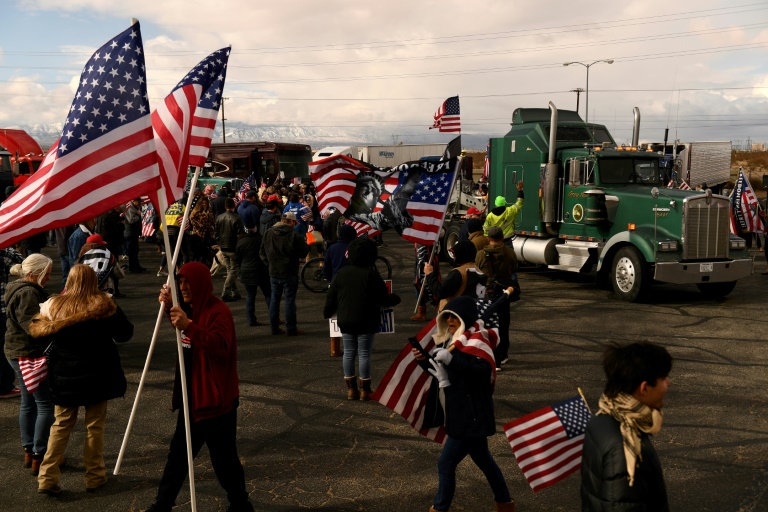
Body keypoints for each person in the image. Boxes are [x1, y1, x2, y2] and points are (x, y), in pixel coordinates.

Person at [144, 262, 253, 512]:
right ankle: (162, 505)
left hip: (216, 399)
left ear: (201, 283)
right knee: (178, 457)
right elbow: (184, 327)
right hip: (191, 396)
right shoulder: (190, 308)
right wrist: (169, 303)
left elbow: (220, 348)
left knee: (224, 460)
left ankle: (240, 505)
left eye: (187, 282)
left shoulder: (218, 311)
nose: (183, 287)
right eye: (180, 282)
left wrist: (188, 326)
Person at [30, 264, 133, 496]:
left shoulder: (53, 305)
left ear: (70, 280)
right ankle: (95, 476)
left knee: (61, 426)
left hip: (64, 376)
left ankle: (47, 477)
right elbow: (124, 333)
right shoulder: (105, 305)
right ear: (93, 281)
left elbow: (37, 341)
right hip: (99, 375)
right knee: (95, 426)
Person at [414, 295, 515, 512]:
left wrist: (452, 360)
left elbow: (481, 375)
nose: (449, 321)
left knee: (446, 464)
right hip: (462, 413)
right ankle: (505, 504)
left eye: (454, 317)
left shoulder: (477, 342)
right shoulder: (455, 341)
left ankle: (439, 508)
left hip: (471, 415)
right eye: (447, 317)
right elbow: (442, 371)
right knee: (485, 462)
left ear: (465, 319)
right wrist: (423, 360)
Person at [581, 342, 672, 512]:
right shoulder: (627, 448)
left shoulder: (604, 415)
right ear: (644, 388)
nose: (669, 382)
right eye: (663, 378)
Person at [323, 238, 401, 400]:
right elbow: (383, 298)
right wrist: (395, 298)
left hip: (346, 319)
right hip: (367, 319)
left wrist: (327, 312)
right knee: (364, 353)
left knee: (349, 353)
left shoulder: (341, 273)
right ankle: (365, 389)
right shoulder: (371, 274)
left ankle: (351, 389)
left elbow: (331, 298)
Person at [4, 253, 54, 474]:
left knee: (28, 402)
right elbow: (33, 328)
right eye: (48, 273)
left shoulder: (18, 288)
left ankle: (29, 450)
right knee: (44, 404)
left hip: (17, 350)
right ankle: (39, 453)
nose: (50, 278)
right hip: (28, 352)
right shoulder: (28, 293)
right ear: (36, 273)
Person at [260, 212, 309, 336]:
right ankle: (291, 328)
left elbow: (262, 252)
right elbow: (303, 253)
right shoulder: (294, 235)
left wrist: (269, 264)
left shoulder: (269, 233)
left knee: (274, 300)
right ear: (291, 222)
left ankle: (274, 328)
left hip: (274, 272)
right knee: (289, 301)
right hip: (289, 272)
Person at [475, 226, 518, 369]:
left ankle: (491, 354)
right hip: (505, 293)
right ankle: (503, 354)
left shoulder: (481, 254)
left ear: (488, 238)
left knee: (488, 325)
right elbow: (513, 269)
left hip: (487, 294)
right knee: (504, 324)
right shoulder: (510, 253)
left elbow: (478, 272)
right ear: (502, 238)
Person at [323, 224, 357, 358]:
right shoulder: (354, 247)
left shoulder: (332, 248)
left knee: (335, 315)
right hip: (353, 284)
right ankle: (355, 344)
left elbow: (327, 267)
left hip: (336, 282)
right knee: (354, 312)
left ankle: (334, 348)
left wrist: (329, 278)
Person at [424, 240, 486, 312]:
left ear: (462, 254)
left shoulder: (458, 273)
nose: (453, 255)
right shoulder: (478, 271)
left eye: (454, 253)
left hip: (454, 314)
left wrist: (430, 274)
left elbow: (440, 292)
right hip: (471, 312)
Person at [0, 246, 24, 398]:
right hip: (0, 309)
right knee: (2, 347)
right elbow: (24, 263)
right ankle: (4, 386)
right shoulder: (3, 251)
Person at [236, 222, 271, 327]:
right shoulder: (261, 240)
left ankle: (251, 319)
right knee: (269, 294)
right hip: (261, 270)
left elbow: (238, 259)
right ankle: (274, 317)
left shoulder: (241, 242)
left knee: (250, 296)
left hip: (247, 271)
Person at [215, 198, 245, 301]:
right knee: (233, 270)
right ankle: (226, 291)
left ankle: (234, 292)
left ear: (225, 206)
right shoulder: (236, 218)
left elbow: (216, 233)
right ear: (234, 206)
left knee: (230, 270)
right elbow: (241, 233)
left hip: (223, 246)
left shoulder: (219, 217)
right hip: (233, 246)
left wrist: (219, 243)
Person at [484, 181, 524, 245]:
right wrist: (520, 191)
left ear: (495, 204)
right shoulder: (510, 211)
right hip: (507, 241)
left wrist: (488, 240)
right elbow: (519, 203)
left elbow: (486, 230)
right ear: (504, 203)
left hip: (494, 242)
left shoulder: (490, 216)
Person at [189, 195, 216, 266]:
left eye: (205, 203)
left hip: (208, 231)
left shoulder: (209, 209)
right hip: (199, 232)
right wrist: (198, 224)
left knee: (207, 247)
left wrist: (213, 225)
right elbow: (192, 218)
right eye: (203, 203)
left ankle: (206, 263)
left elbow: (212, 219)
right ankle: (199, 262)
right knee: (199, 248)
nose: (204, 204)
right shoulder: (196, 210)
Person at [124, 198, 146, 273]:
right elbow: (131, 220)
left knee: (135, 250)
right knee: (132, 251)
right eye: (138, 202)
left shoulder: (134, 208)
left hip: (134, 233)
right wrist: (139, 215)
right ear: (133, 201)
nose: (140, 204)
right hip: (130, 233)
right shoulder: (130, 208)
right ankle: (133, 267)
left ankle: (137, 266)